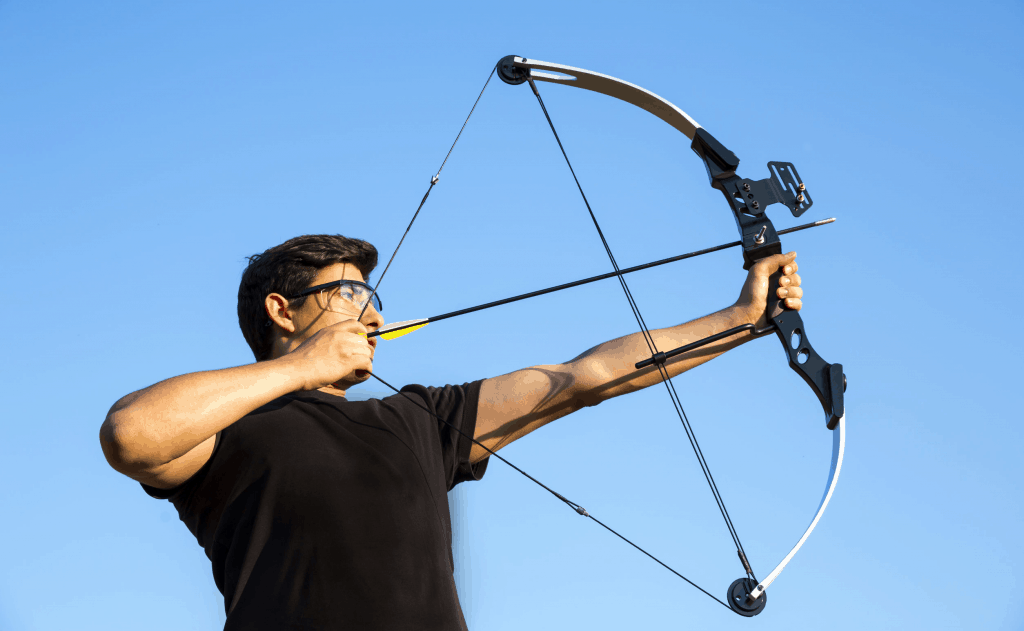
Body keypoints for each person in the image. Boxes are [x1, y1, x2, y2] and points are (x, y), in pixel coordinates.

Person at [99, 233, 803, 630]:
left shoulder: (419, 418)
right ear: (282, 311)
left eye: (374, 301)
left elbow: (583, 377)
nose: (371, 317)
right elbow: (130, 434)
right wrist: (303, 367)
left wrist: (743, 317)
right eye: (349, 294)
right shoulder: (231, 424)